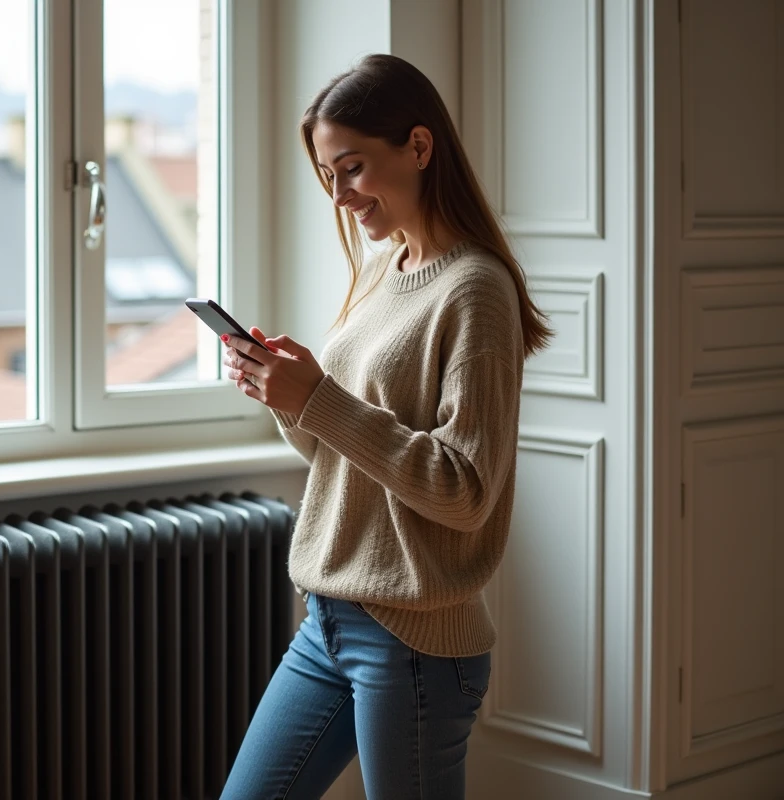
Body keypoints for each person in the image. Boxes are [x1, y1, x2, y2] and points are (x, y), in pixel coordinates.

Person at [218, 54, 552, 799]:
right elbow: (338, 452)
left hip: (416, 643)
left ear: (420, 148)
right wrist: (289, 396)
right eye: (328, 175)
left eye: (353, 168)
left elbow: (465, 490)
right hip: (330, 619)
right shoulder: (382, 269)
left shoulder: (476, 291)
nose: (340, 196)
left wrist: (322, 400)